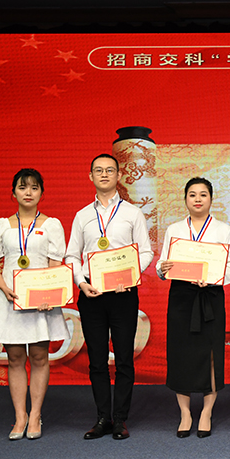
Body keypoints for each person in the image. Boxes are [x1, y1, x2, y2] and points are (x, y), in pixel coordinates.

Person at [65, 153, 153, 441]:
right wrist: (81, 282)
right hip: (92, 294)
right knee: (97, 360)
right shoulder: (82, 216)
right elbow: (71, 255)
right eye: (98, 170)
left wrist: (131, 276)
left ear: (119, 176)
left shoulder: (132, 213)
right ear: (90, 176)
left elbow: (146, 252)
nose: (104, 174)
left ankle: (121, 419)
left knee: (125, 358)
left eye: (110, 170)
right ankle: (103, 417)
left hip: (123, 294)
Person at [0, 168, 69, 441]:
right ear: (13, 193)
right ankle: (20, 416)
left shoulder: (52, 225)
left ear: (42, 192)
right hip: (11, 298)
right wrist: (4, 288)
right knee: (15, 358)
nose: (28, 193)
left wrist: (48, 295)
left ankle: (35, 415)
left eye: (34, 187)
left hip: (41, 301)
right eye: (22, 187)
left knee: (40, 357)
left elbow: (55, 263)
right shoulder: (2, 225)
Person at [156, 177, 230, 439]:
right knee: (180, 353)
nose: (197, 199)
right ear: (185, 199)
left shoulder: (223, 230)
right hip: (181, 299)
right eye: (192, 194)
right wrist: (163, 269)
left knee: (211, 353)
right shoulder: (174, 229)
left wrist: (215, 278)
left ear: (211, 199)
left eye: (203, 194)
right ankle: (185, 413)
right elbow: (162, 265)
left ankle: (206, 412)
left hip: (210, 297)